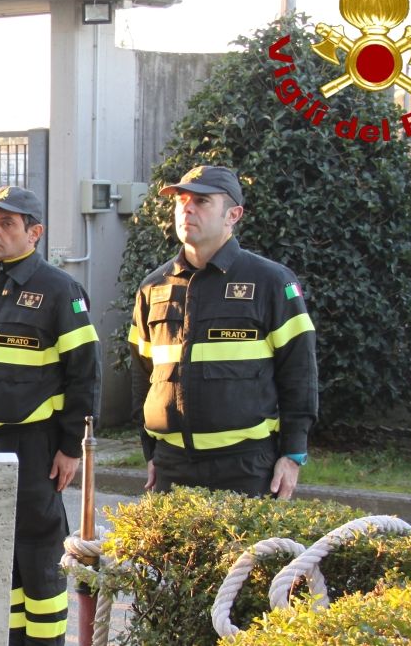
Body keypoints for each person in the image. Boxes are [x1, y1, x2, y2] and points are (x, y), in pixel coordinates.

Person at [0, 186, 98, 645]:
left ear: (34, 233)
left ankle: (44, 641)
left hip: (34, 445)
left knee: (38, 554)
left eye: (7, 224)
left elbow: (85, 376)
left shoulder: (60, 290)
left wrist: (69, 447)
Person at [128, 165, 318, 498]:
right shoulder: (153, 287)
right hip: (172, 466)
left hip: (245, 467)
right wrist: (151, 451)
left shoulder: (271, 282)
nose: (186, 209)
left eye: (201, 201)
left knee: (244, 553)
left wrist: (292, 454)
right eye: (181, 201)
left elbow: (299, 372)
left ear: (233, 214)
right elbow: (142, 375)